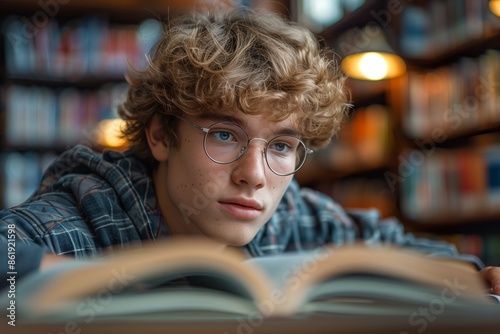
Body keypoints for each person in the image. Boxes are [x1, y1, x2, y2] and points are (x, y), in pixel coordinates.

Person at [1, 7, 499, 293]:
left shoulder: (296, 217)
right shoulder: (83, 215)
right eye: (224, 134)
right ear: (159, 135)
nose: (254, 176)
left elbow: (414, 253)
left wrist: (482, 278)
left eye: (282, 144)